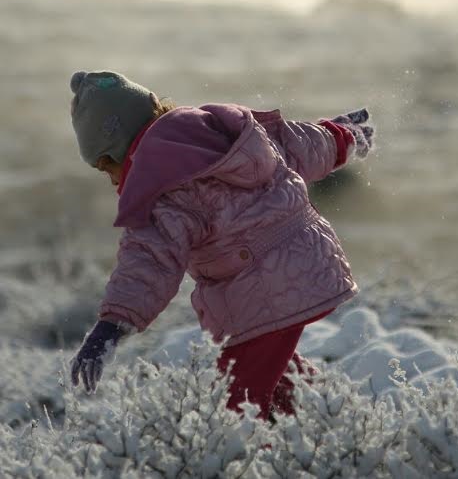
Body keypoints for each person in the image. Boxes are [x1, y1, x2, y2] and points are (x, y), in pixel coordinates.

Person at [67, 70, 373, 419]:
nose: (113, 182)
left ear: (120, 148)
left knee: (238, 406)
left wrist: (111, 326)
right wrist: (343, 136)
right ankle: (338, 427)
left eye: (108, 168)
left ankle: (254, 463)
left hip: (265, 291)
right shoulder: (223, 131)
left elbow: (149, 260)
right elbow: (295, 143)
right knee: (281, 387)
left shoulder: (161, 189)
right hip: (311, 264)